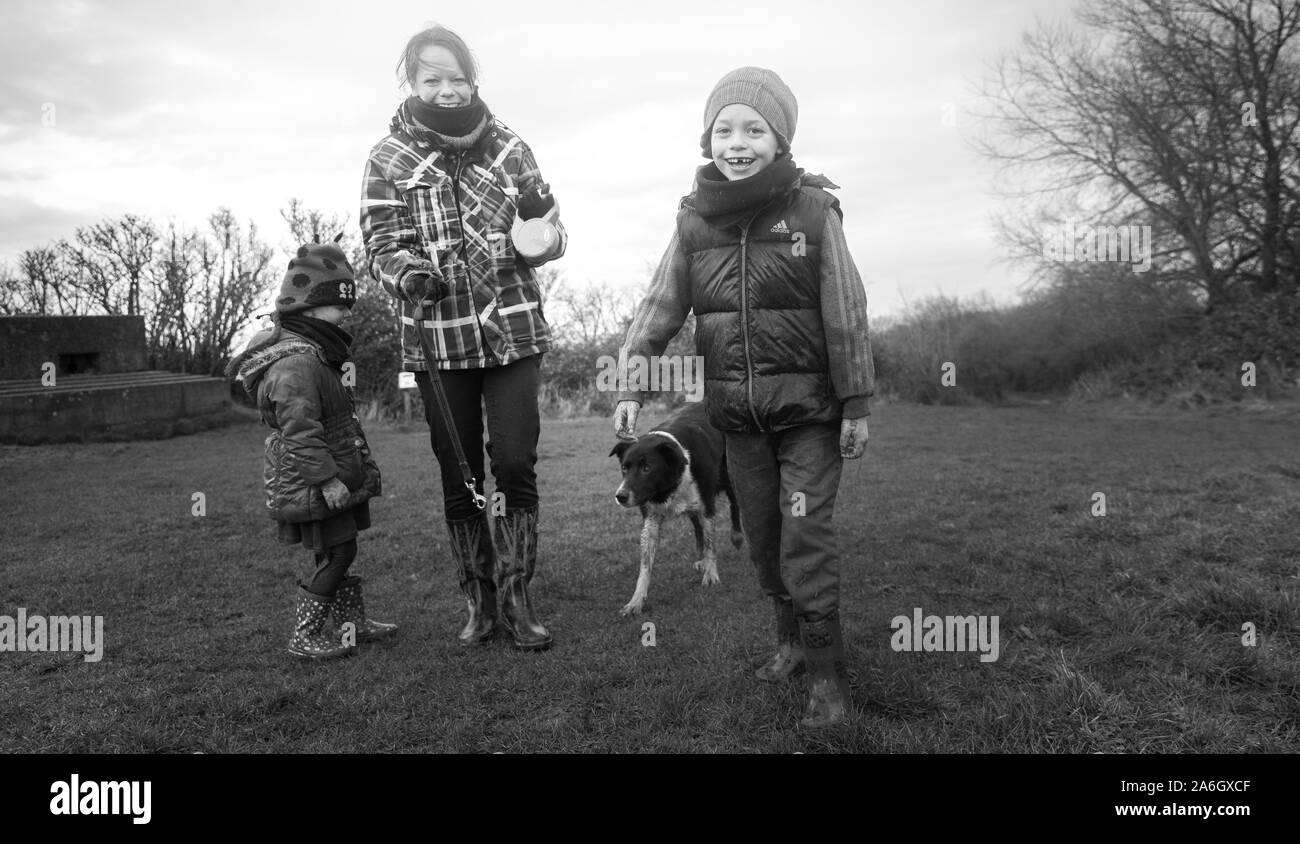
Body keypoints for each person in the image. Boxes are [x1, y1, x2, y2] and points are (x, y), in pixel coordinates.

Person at [612, 67, 875, 727]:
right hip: (738, 422)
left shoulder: (813, 209)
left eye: (754, 129)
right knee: (762, 539)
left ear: (779, 138)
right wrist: (632, 381)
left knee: (804, 538)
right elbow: (661, 303)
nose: (739, 141)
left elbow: (846, 308)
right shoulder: (694, 219)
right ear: (708, 139)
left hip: (810, 416)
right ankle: (788, 642)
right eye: (725, 128)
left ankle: (828, 680)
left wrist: (857, 403)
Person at [360, 25, 565, 651]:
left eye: (457, 78)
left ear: (473, 80)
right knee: (460, 471)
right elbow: (379, 245)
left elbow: (551, 231)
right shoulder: (387, 158)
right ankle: (478, 599)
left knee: (512, 461)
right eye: (432, 79)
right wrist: (409, 274)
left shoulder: (510, 149)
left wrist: (547, 235)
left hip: (513, 332)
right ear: (411, 83)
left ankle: (517, 594)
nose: (446, 90)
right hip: (438, 338)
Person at [228, 241, 395, 660]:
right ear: (311, 308)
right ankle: (304, 636)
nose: (346, 315)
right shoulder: (296, 364)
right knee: (339, 550)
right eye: (340, 306)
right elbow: (300, 429)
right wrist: (326, 479)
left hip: (335, 470)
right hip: (319, 479)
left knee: (338, 547)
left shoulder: (313, 355)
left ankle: (351, 626)